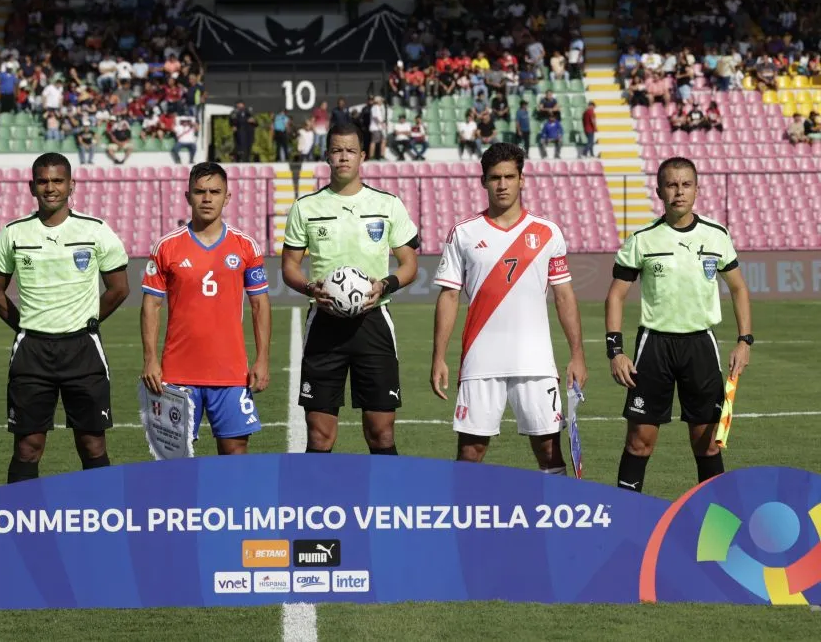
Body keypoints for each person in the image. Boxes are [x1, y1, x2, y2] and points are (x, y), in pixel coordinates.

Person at [430, 143, 587, 470]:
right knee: (470, 452)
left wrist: (577, 355)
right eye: (495, 178)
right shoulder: (464, 233)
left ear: (522, 179)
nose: (502, 184)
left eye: (509, 177)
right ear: (483, 181)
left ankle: (552, 520)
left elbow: (564, 297)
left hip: (535, 360)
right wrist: (439, 357)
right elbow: (448, 297)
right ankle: (465, 520)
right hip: (480, 359)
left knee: (548, 449)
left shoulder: (547, 233)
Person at [607, 157, 752, 493]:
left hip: (700, 345)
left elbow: (739, 288)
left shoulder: (716, 235)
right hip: (654, 346)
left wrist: (745, 340)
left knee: (707, 443)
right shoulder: (642, 239)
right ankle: (628, 522)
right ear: (659, 190)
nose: (679, 191)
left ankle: (716, 521)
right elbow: (615, 296)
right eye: (671, 185)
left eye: (686, 184)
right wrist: (615, 351)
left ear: (697, 189)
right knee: (640, 441)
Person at [0, 153, 131, 484]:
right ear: (32, 186)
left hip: (83, 347)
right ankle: (20, 524)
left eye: (58, 181)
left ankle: (99, 517)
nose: (50, 188)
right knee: (28, 446)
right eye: (43, 181)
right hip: (32, 351)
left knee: (92, 443)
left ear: (71, 185)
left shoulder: (95, 230)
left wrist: (88, 321)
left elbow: (119, 288)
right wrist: (24, 325)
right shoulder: (13, 233)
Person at [282, 123, 419, 455]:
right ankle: (317, 505)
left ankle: (386, 503)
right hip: (324, 325)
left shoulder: (388, 204)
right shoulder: (305, 207)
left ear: (363, 155)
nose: (343, 157)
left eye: (350, 151)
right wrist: (311, 287)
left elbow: (409, 263)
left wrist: (385, 284)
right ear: (327, 155)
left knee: (381, 434)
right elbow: (289, 268)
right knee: (319, 436)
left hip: (374, 323)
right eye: (337, 150)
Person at [140, 162, 271, 454]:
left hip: (231, 372)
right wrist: (150, 359)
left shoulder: (245, 246)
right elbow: (152, 304)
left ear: (227, 197)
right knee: (174, 464)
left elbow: (260, 304)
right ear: (188, 196)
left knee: (235, 456)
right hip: (177, 375)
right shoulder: (166, 246)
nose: (207, 198)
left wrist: (262, 359)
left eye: (215, 191)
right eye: (200, 192)